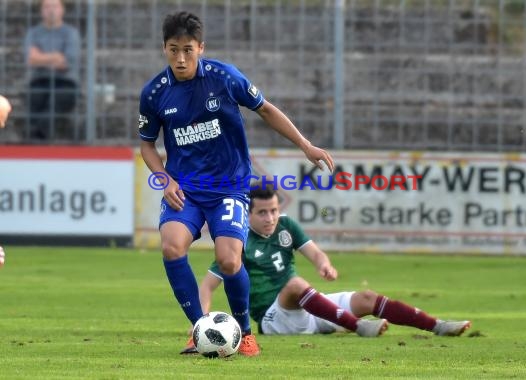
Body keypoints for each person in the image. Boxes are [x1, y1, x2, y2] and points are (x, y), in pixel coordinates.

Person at [138, 12, 334, 357]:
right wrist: (163, 178)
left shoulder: (225, 77)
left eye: (188, 50)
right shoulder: (154, 93)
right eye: (173, 50)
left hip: (229, 187)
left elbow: (266, 109)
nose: (180, 59)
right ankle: (200, 330)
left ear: (201, 47)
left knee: (229, 262)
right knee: (171, 247)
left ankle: (244, 333)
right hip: (185, 188)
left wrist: (305, 144)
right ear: (163, 49)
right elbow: (146, 145)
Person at [189, 184, 471, 353]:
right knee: (295, 284)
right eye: (262, 212)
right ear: (247, 213)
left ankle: (438, 325)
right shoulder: (237, 240)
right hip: (273, 319)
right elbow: (207, 285)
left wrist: (325, 265)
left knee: (367, 298)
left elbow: (315, 252)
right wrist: (199, 322)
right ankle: (358, 326)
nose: (270, 217)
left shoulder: (286, 225)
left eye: (274, 210)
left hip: (309, 307)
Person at [24, 0, 80, 140]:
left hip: (65, 81)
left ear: (62, 10)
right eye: (47, 6)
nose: (51, 10)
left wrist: (41, 58)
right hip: (39, 79)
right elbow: (31, 60)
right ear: (41, 11)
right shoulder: (33, 33)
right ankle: (38, 136)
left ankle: (37, 136)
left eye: (55, 6)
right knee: (35, 97)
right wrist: (55, 56)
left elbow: (67, 62)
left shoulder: (71, 33)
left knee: (59, 99)